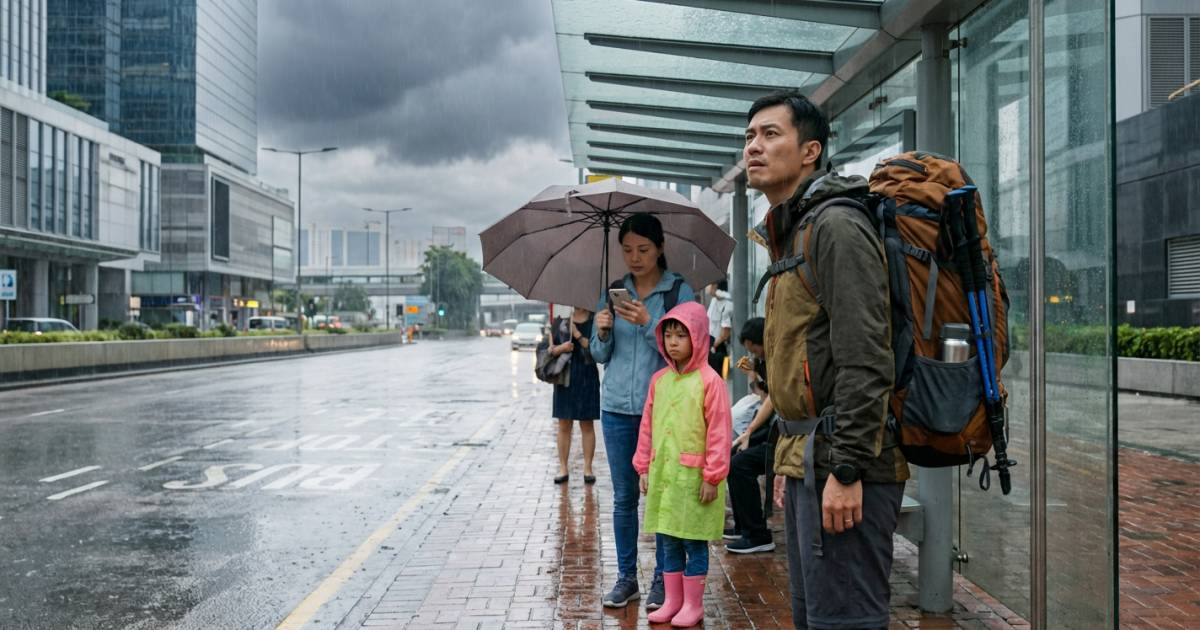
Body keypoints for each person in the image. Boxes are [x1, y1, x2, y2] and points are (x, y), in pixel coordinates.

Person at [745, 91, 907, 629]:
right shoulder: (794, 230)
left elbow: (867, 356)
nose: (754, 147)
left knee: (845, 622)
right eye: (749, 137)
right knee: (816, 619)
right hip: (811, 461)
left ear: (810, 150)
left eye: (771, 135)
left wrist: (846, 467)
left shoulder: (835, 226)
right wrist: (792, 461)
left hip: (844, 464)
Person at [591, 213, 696, 610]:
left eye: (643, 249)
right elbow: (600, 355)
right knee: (623, 497)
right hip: (617, 408)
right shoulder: (614, 291)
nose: (635, 257)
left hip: (666, 411)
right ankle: (626, 578)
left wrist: (651, 323)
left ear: (660, 248)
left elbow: (689, 353)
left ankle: (661, 580)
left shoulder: (678, 294)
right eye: (627, 250)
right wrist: (601, 330)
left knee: (664, 497)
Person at [633, 302, 731, 627]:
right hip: (665, 477)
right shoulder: (659, 380)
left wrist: (713, 476)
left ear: (698, 337)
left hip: (695, 479)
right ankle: (672, 601)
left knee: (694, 542)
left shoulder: (710, 381)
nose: (673, 342)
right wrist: (644, 467)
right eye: (669, 335)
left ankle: (693, 604)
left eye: (681, 335)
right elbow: (647, 426)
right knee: (668, 541)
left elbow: (719, 431)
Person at [724, 317, 778, 554]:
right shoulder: (765, 363)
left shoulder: (780, 359)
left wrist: (749, 430)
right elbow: (763, 396)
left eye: (754, 348)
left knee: (740, 464)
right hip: (772, 429)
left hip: (784, 434)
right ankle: (744, 525)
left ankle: (757, 533)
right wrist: (754, 374)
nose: (753, 353)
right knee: (732, 455)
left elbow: (771, 402)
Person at [549, 307, 600, 485]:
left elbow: (596, 349)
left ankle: (588, 468)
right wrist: (562, 348)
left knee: (587, 424)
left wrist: (577, 334)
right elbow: (550, 350)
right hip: (565, 378)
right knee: (564, 423)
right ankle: (563, 467)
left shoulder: (595, 319)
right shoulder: (561, 320)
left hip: (587, 376)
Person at [705, 280, 733, 377]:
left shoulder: (727, 303)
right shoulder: (714, 300)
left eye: (711, 284)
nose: (708, 287)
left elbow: (725, 333)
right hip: (710, 342)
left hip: (718, 346)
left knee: (717, 377)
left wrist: (713, 346)